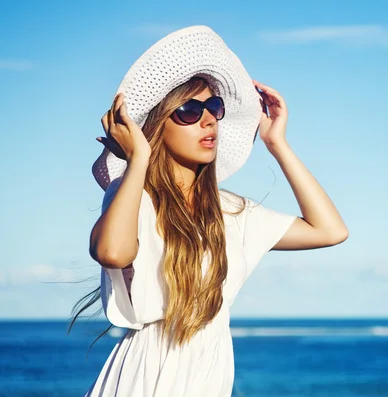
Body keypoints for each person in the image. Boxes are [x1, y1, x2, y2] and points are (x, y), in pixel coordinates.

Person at [73, 25, 348, 396]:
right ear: (157, 125)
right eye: (188, 110)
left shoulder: (231, 211)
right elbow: (111, 252)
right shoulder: (133, 195)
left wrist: (276, 143)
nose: (208, 120)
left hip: (207, 376)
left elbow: (329, 230)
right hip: (146, 377)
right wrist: (138, 160)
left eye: (214, 107)